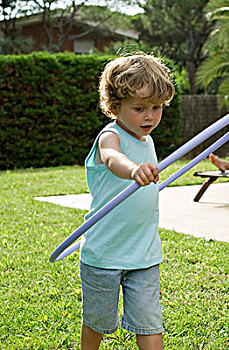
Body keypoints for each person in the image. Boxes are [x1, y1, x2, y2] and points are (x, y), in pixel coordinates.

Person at [80, 53, 174, 350]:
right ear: (114, 106)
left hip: (144, 254)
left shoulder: (148, 140)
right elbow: (111, 158)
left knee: (150, 323)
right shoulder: (111, 136)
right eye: (139, 108)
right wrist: (133, 169)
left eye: (156, 107)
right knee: (98, 322)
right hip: (104, 254)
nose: (149, 116)